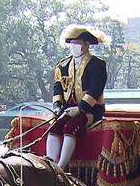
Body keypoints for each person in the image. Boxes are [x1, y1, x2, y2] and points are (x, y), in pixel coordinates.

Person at [47, 24, 110, 169]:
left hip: (90, 111)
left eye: (77, 43)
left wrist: (80, 108)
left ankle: (61, 166)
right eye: (71, 43)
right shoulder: (63, 65)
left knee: (70, 127)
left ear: (86, 44)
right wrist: (57, 106)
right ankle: (50, 162)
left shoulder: (97, 65)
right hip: (66, 109)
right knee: (54, 128)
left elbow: (95, 89)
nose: (73, 46)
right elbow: (57, 87)